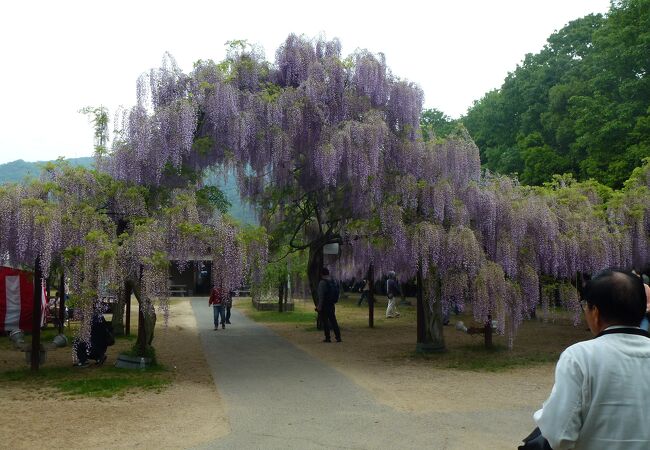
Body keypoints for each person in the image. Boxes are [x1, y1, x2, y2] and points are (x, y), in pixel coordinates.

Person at [531, 269, 650, 449]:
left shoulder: (580, 357)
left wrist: (545, 413)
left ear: (595, 313)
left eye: (585, 306)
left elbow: (559, 436)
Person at [316, 267, 341, 343]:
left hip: (325, 305)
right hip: (331, 304)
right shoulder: (333, 281)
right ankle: (338, 337)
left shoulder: (322, 283)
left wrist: (319, 306)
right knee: (333, 320)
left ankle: (328, 338)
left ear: (321, 274)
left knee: (325, 321)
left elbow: (321, 296)